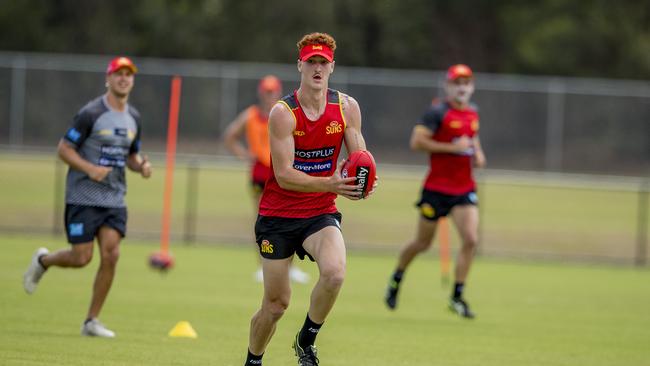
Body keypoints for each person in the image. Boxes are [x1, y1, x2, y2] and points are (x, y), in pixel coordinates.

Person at [244, 32, 375, 366]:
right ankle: (253, 361)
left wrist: (363, 181)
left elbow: (359, 158)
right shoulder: (283, 113)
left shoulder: (346, 108)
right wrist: (331, 183)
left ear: (332, 67)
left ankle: (306, 340)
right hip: (278, 216)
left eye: (323, 62)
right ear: (299, 65)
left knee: (335, 273)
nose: (317, 68)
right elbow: (285, 175)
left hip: (319, 214)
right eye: (311, 62)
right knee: (275, 306)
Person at [22, 56, 152, 337]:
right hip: (83, 196)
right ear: (108, 78)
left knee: (112, 254)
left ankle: (91, 321)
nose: (124, 79)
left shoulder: (134, 118)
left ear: (133, 80)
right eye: (119, 74)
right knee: (82, 257)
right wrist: (90, 169)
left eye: (129, 75)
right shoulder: (90, 113)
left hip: (115, 198)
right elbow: (64, 149)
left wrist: (141, 165)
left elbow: (131, 155)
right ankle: (43, 261)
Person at [384, 64, 486, 319]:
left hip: (464, 189)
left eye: (466, 83)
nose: (462, 88)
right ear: (448, 86)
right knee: (422, 243)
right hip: (436, 189)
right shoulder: (437, 112)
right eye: (457, 83)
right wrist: (452, 148)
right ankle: (397, 278)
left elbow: (472, 138)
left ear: (471, 87)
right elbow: (416, 142)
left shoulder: (473, 113)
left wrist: (478, 153)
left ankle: (457, 296)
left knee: (471, 239)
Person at [223, 75, 310, 284]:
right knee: (262, 221)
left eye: (273, 91)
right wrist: (244, 155)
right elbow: (230, 136)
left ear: (278, 92)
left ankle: (290, 268)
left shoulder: (284, 113)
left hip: (282, 171)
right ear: (260, 92)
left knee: (290, 218)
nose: (269, 95)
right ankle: (263, 266)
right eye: (266, 91)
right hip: (260, 172)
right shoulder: (251, 115)